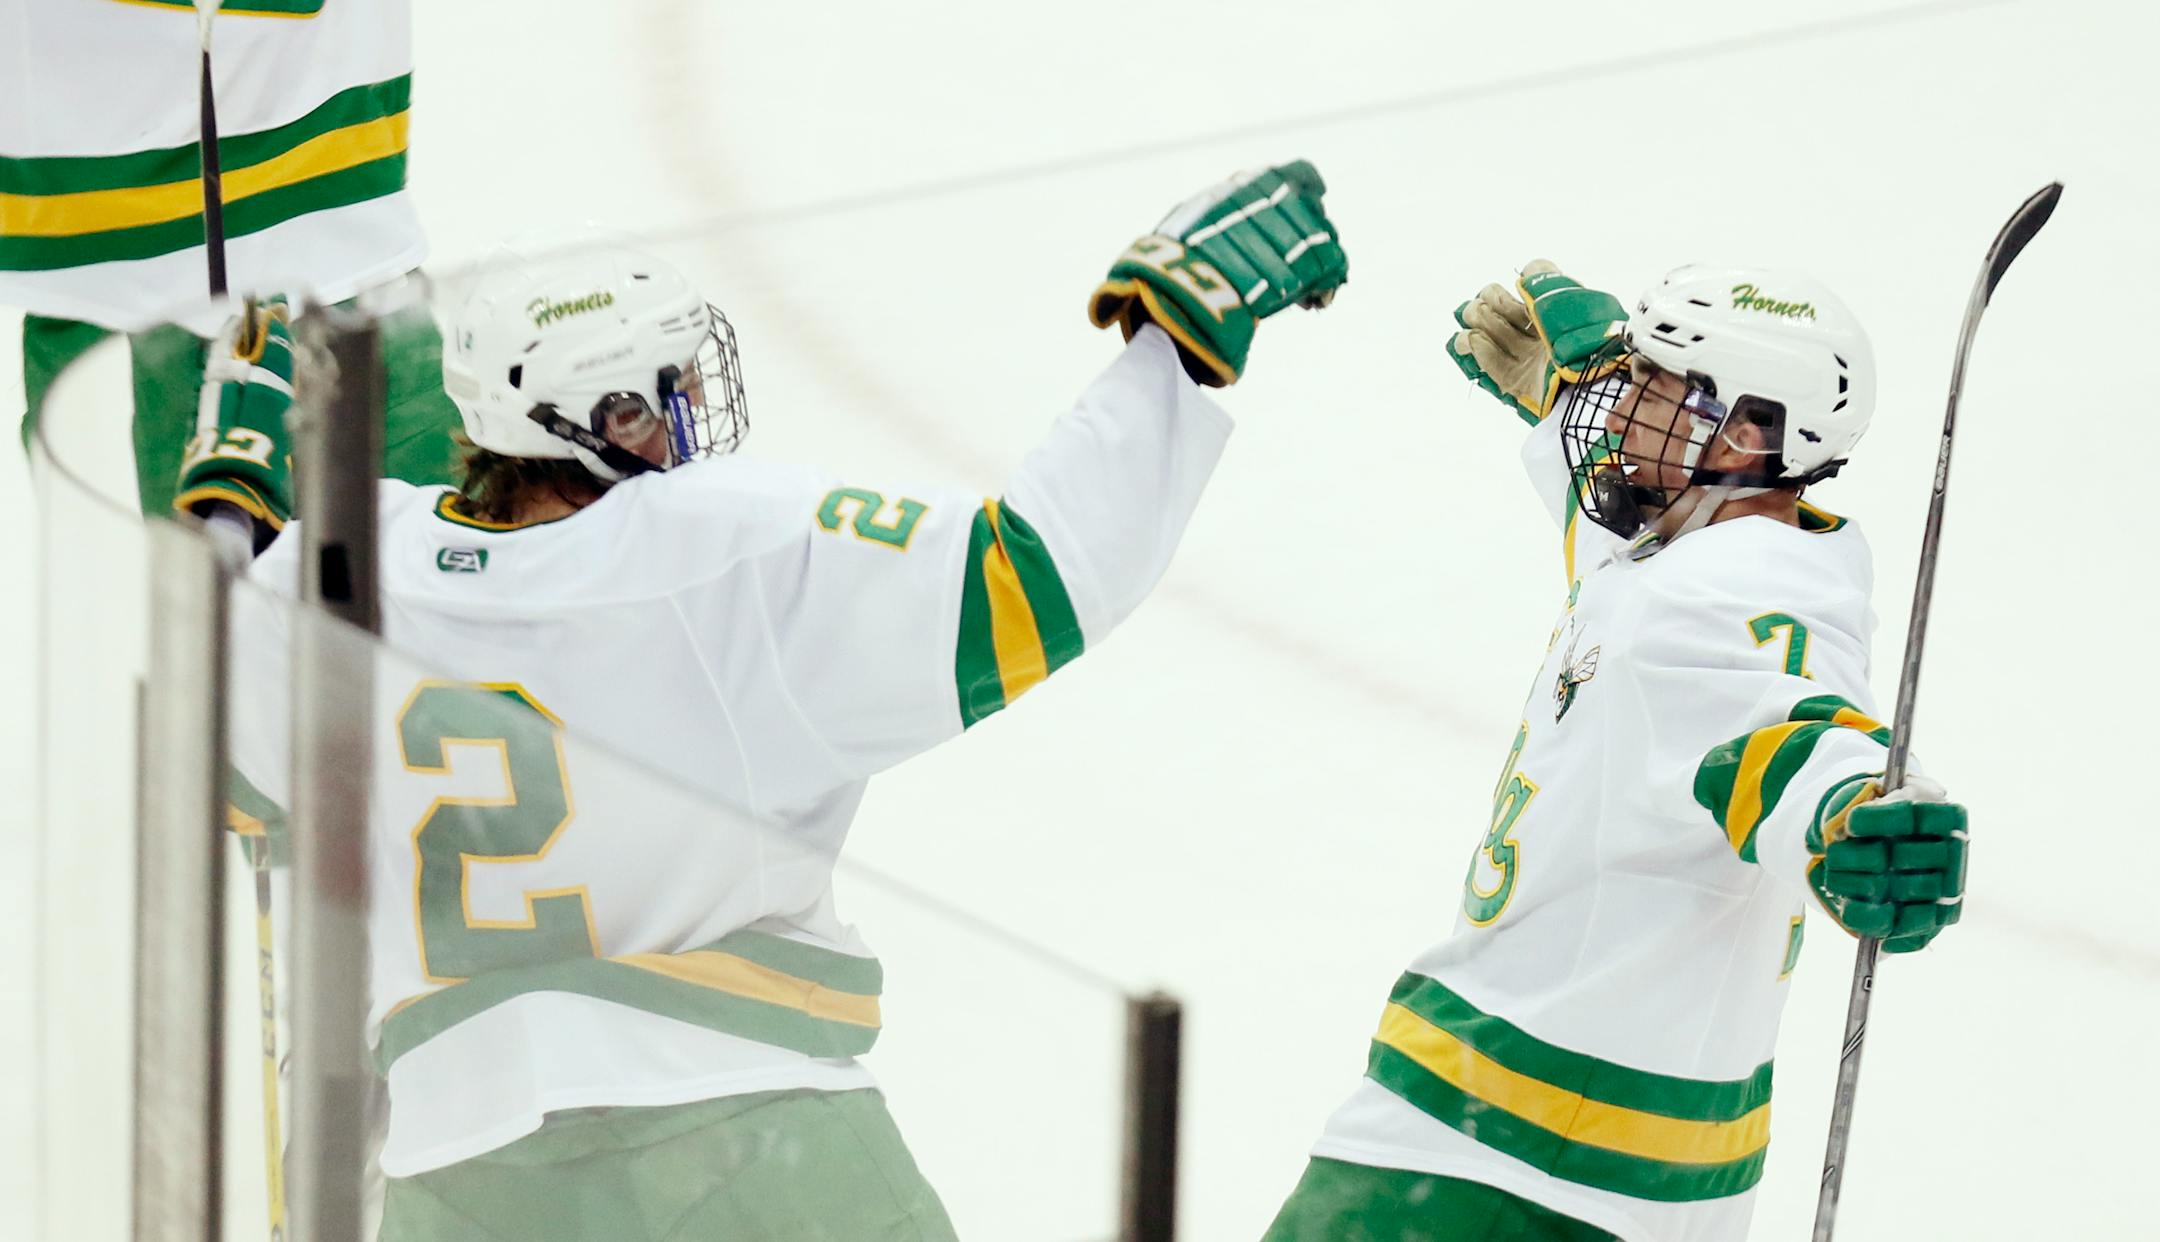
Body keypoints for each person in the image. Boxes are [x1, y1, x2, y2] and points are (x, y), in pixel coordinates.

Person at [207, 162, 1348, 1240]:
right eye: (666, 394)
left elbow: (223, 750)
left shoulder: (334, 575)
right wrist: (1171, 347)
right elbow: (1035, 575)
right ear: (600, 421)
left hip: (459, 1174)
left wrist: (231, 519)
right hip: (745, 1141)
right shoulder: (719, 554)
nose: (689, 414)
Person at [1264, 262, 1969, 1241]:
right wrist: (1572, 388)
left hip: (1485, 1167)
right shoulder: (1692, 536)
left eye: (1652, 387)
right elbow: (1631, 552)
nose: (1616, 406)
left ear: (1743, 435)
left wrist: (1850, 810)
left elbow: (1778, 724)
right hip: (1644, 1183)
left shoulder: (1709, 602)